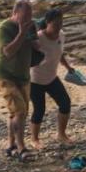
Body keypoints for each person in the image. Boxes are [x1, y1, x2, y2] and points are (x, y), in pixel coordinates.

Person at [0, 0, 37, 161]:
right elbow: (8, 52)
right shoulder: (4, 27)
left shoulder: (31, 25)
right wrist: (21, 33)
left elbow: (36, 45)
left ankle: (10, 145)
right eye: (25, 15)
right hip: (5, 74)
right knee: (19, 110)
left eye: (30, 15)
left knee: (19, 112)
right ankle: (21, 148)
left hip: (23, 75)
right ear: (15, 13)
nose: (28, 18)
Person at [29, 9, 75, 149]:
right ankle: (34, 139)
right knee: (39, 109)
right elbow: (27, 56)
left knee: (65, 103)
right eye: (55, 23)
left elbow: (59, 53)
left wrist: (68, 67)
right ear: (48, 23)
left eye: (61, 23)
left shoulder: (61, 35)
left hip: (52, 77)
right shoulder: (38, 38)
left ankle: (61, 134)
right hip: (35, 80)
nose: (58, 26)